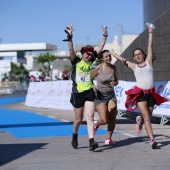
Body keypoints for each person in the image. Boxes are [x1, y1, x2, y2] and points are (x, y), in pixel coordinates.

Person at [110, 23, 168, 149]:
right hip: (140, 94)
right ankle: (152, 140)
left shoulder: (148, 62)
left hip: (151, 94)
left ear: (143, 55)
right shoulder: (133, 66)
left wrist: (150, 31)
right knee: (147, 116)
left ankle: (139, 121)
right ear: (134, 58)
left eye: (139, 53)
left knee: (148, 116)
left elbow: (150, 46)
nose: (137, 55)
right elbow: (123, 60)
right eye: (135, 55)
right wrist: (114, 55)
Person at [64, 24, 108, 151]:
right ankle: (75, 135)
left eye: (90, 54)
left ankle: (91, 141)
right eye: (87, 54)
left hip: (89, 91)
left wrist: (105, 34)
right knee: (78, 119)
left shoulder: (91, 61)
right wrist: (70, 36)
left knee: (89, 116)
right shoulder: (76, 61)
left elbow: (100, 47)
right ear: (82, 53)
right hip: (77, 92)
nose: (89, 56)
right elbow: (71, 50)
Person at [92, 50, 118, 145]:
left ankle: (108, 138)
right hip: (100, 95)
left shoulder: (113, 68)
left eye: (110, 56)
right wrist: (93, 86)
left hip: (111, 95)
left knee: (112, 117)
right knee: (104, 120)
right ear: (102, 58)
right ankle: (96, 124)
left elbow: (117, 81)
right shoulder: (98, 68)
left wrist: (115, 83)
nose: (109, 58)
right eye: (106, 56)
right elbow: (89, 80)